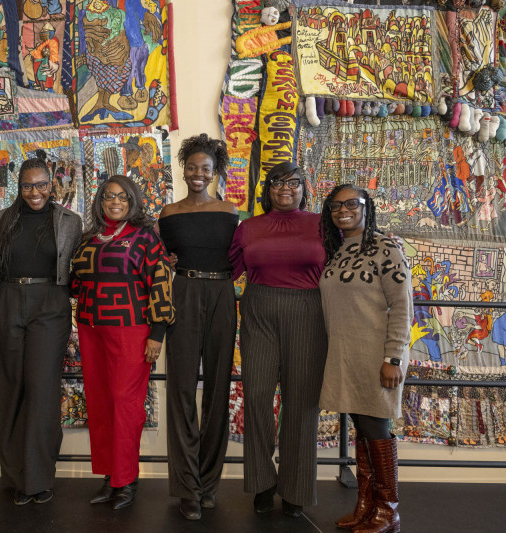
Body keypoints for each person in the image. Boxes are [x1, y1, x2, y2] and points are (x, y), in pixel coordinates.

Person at [228, 161, 327, 518]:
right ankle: (261, 482)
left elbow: (342, 268)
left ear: (305, 187)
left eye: (294, 182)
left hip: (308, 313)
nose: (286, 188)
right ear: (267, 189)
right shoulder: (248, 228)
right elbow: (227, 269)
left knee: (301, 403)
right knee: (255, 397)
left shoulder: (322, 224)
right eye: (277, 183)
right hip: (259, 310)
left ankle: (296, 487)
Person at [71, 175, 175, 510]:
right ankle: (108, 476)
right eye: (108, 196)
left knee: (125, 405)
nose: (115, 202)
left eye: (123, 197)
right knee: (100, 404)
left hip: (130, 330)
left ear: (132, 201)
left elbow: (160, 282)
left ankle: (127, 480)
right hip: (90, 328)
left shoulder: (145, 237)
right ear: (100, 201)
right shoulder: (89, 238)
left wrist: (157, 333)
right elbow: (75, 283)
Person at [0, 155, 82, 505]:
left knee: (42, 391)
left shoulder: (70, 221)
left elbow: (84, 260)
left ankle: (40, 479)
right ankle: (16, 479)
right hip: (8, 299)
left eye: (41, 184)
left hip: (50, 302)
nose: (35, 192)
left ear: (52, 184)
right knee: (10, 389)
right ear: (19, 186)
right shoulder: (0, 221)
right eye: (27, 185)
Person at [318, 184, 412, 533]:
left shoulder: (385, 247)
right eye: (335, 206)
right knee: (363, 429)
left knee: (377, 429)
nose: (343, 210)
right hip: (346, 353)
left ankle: (388, 510)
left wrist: (394, 356)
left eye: (351, 204)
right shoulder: (337, 250)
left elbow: (403, 305)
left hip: (377, 355)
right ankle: (366, 504)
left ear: (365, 206)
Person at [158, 135, 239, 520]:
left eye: (205, 168)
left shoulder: (229, 210)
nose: (197, 174)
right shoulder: (168, 213)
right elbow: (161, 259)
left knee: (218, 389)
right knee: (182, 389)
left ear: (215, 172)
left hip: (223, 292)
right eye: (192, 167)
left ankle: (208, 483)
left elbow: (239, 255)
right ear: (183, 168)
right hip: (185, 293)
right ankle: (187, 487)